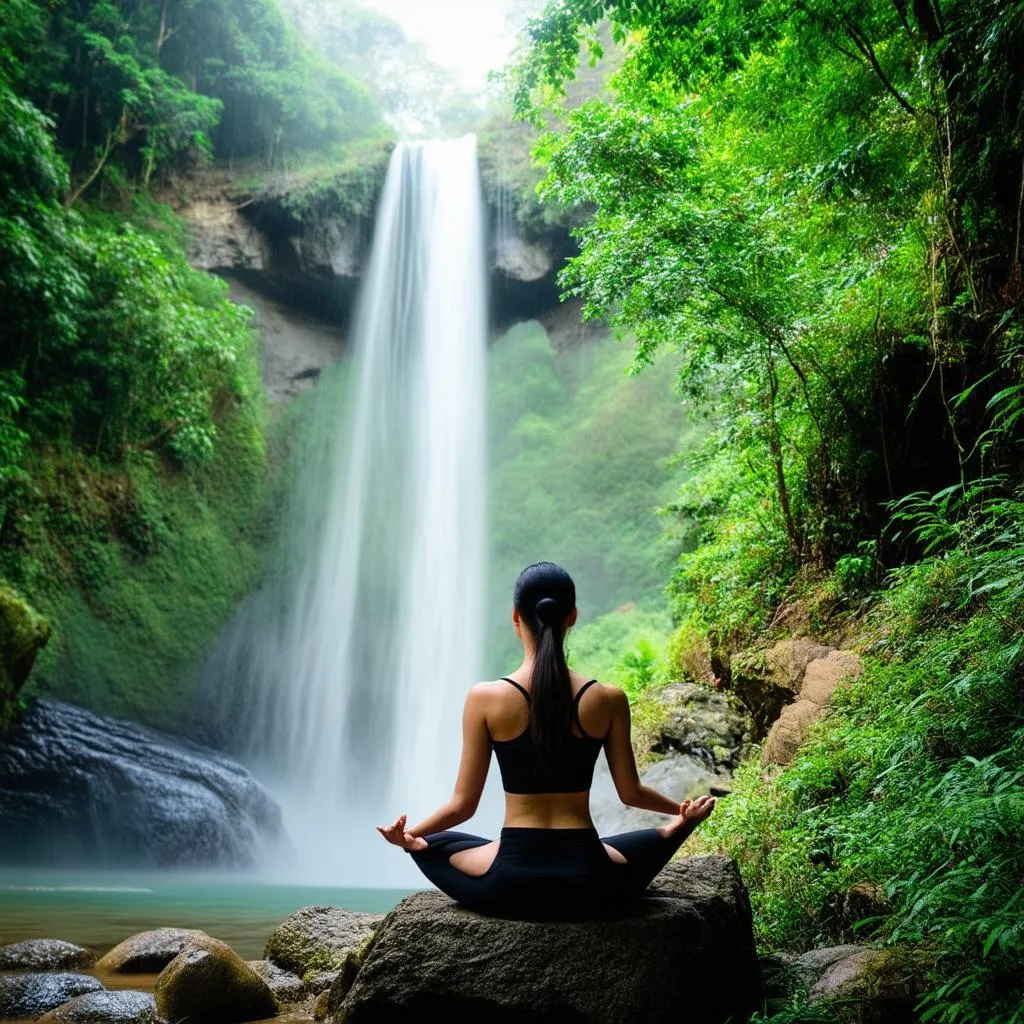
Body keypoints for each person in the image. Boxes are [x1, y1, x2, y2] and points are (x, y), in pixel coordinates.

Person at [377, 561, 716, 918]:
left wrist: (408, 837)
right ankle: (679, 826)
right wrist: (678, 811)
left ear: (515, 618)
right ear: (572, 616)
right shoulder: (608, 699)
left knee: (433, 844)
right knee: (654, 840)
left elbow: (463, 807)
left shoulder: (486, 698)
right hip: (590, 882)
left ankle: (420, 843)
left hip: (510, 884)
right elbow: (631, 793)